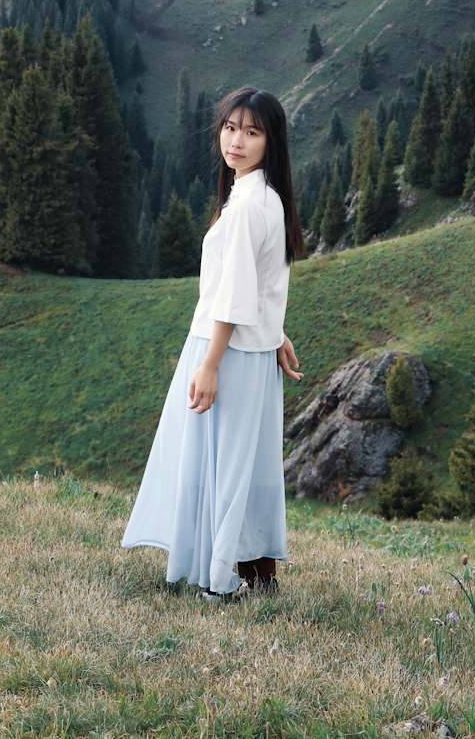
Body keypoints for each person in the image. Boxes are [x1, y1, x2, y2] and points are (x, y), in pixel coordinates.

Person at [122, 85, 305, 600]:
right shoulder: (262, 196)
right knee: (244, 464)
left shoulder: (249, 204)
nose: (237, 141)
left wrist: (209, 364)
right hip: (248, 348)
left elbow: (234, 294)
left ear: (272, 141)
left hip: (226, 350)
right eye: (230, 128)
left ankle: (221, 580)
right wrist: (274, 333)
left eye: (251, 132)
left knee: (223, 467)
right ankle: (257, 573)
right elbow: (258, 281)